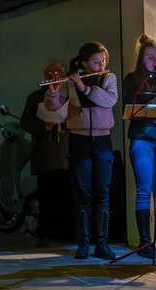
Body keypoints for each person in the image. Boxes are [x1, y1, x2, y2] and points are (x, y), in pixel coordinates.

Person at [44, 42, 118, 260]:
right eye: (95, 61)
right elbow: (53, 109)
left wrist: (85, 89)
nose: (101, 64)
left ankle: (102, 243)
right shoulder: (71, 79)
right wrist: (53, 92)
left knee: (102, 192)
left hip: (103, 140)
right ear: (84, 63)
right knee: (82, 193)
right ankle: (84, 242)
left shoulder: (108, 78)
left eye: (103, 60)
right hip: (79, 139)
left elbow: (109, 100)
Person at [123, 33, 156, 259]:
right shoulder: (132, 80)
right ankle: (145, 244)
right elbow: (127, 105)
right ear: (142, 60)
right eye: (150, 57)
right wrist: (150, 99)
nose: (155, 61)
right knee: (145, 191)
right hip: (142, 138)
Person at [20, 59, 72, 246]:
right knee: (47, 195)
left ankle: (66, 235)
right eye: (49, 71)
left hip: (67, 151)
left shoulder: (71, 94)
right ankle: (46, 234)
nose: (52, 75)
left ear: (64, 74)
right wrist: (44, 126)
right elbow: (25, 122)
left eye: (56, 71)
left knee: (66, 194)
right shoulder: (35, 97)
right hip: (45, 151)